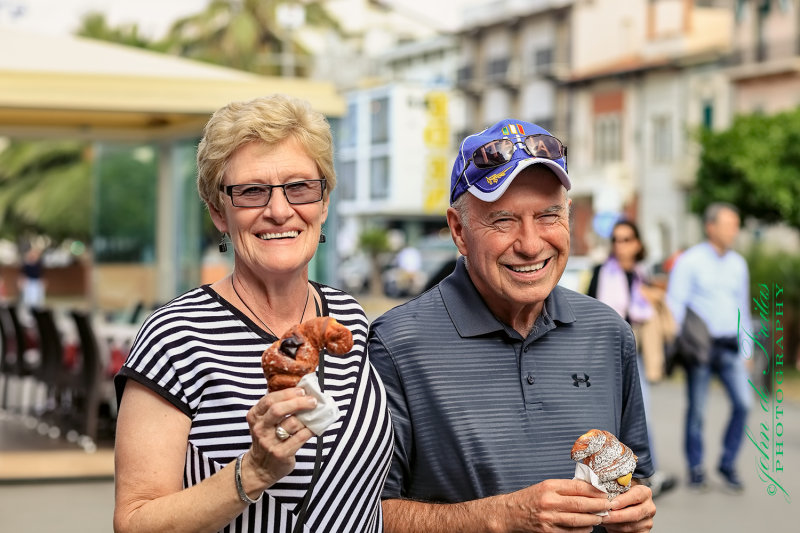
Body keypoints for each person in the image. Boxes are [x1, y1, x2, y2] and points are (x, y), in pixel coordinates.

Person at [113, 94, 393, 533]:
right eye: (251, 191)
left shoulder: (346, 316)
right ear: (218, 212)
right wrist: (254, 471)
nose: (279, 211)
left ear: (323, 202)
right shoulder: (174, 336)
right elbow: (134, 522)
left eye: (299, 187)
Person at [368, 119, 656, 533]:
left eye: (548, 215)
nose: (531, 244)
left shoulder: (608, 332)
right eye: (503, 220)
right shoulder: (397, 345)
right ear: (459, 230)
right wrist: (499, 518)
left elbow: (636, 477)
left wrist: (635, 510)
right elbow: (366, 516)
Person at [587, 220, 677, 498]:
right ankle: (608, 476)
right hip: (605, 355)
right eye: (616, 239)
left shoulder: (640, 275)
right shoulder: (601, 272)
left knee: (642, 415)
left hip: (633, 355)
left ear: (637, 244)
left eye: (627, 239)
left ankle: (648, 474)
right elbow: (590, 312)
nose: (621, 245)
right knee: (606, 418)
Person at [666, 202, 751, 492]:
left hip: (729, 346)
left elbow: (743, 306)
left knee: (744, 403)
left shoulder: (739, 264)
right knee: (698, 410)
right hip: (699, 348)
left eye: (736, 225)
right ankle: (696, 467)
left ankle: (727, 463)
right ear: (710, 226)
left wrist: (747, 347)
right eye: (730, 225)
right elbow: (675, 303)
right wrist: (672, 344)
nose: (734, 231)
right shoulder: (690, 261)